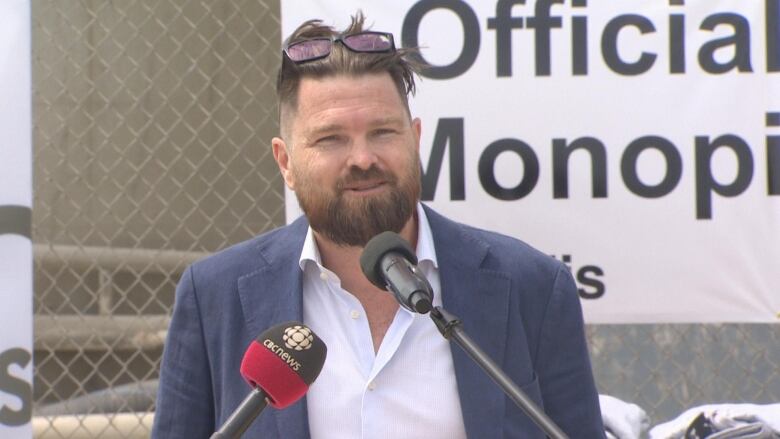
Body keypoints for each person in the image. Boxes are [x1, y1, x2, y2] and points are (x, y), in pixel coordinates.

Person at [153, 13, 604, 439]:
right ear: (286, 162)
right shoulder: (215, 294)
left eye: (383, 132)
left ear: (416, 139)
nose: (363, 158)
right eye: (331, 139)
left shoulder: (533, 288)